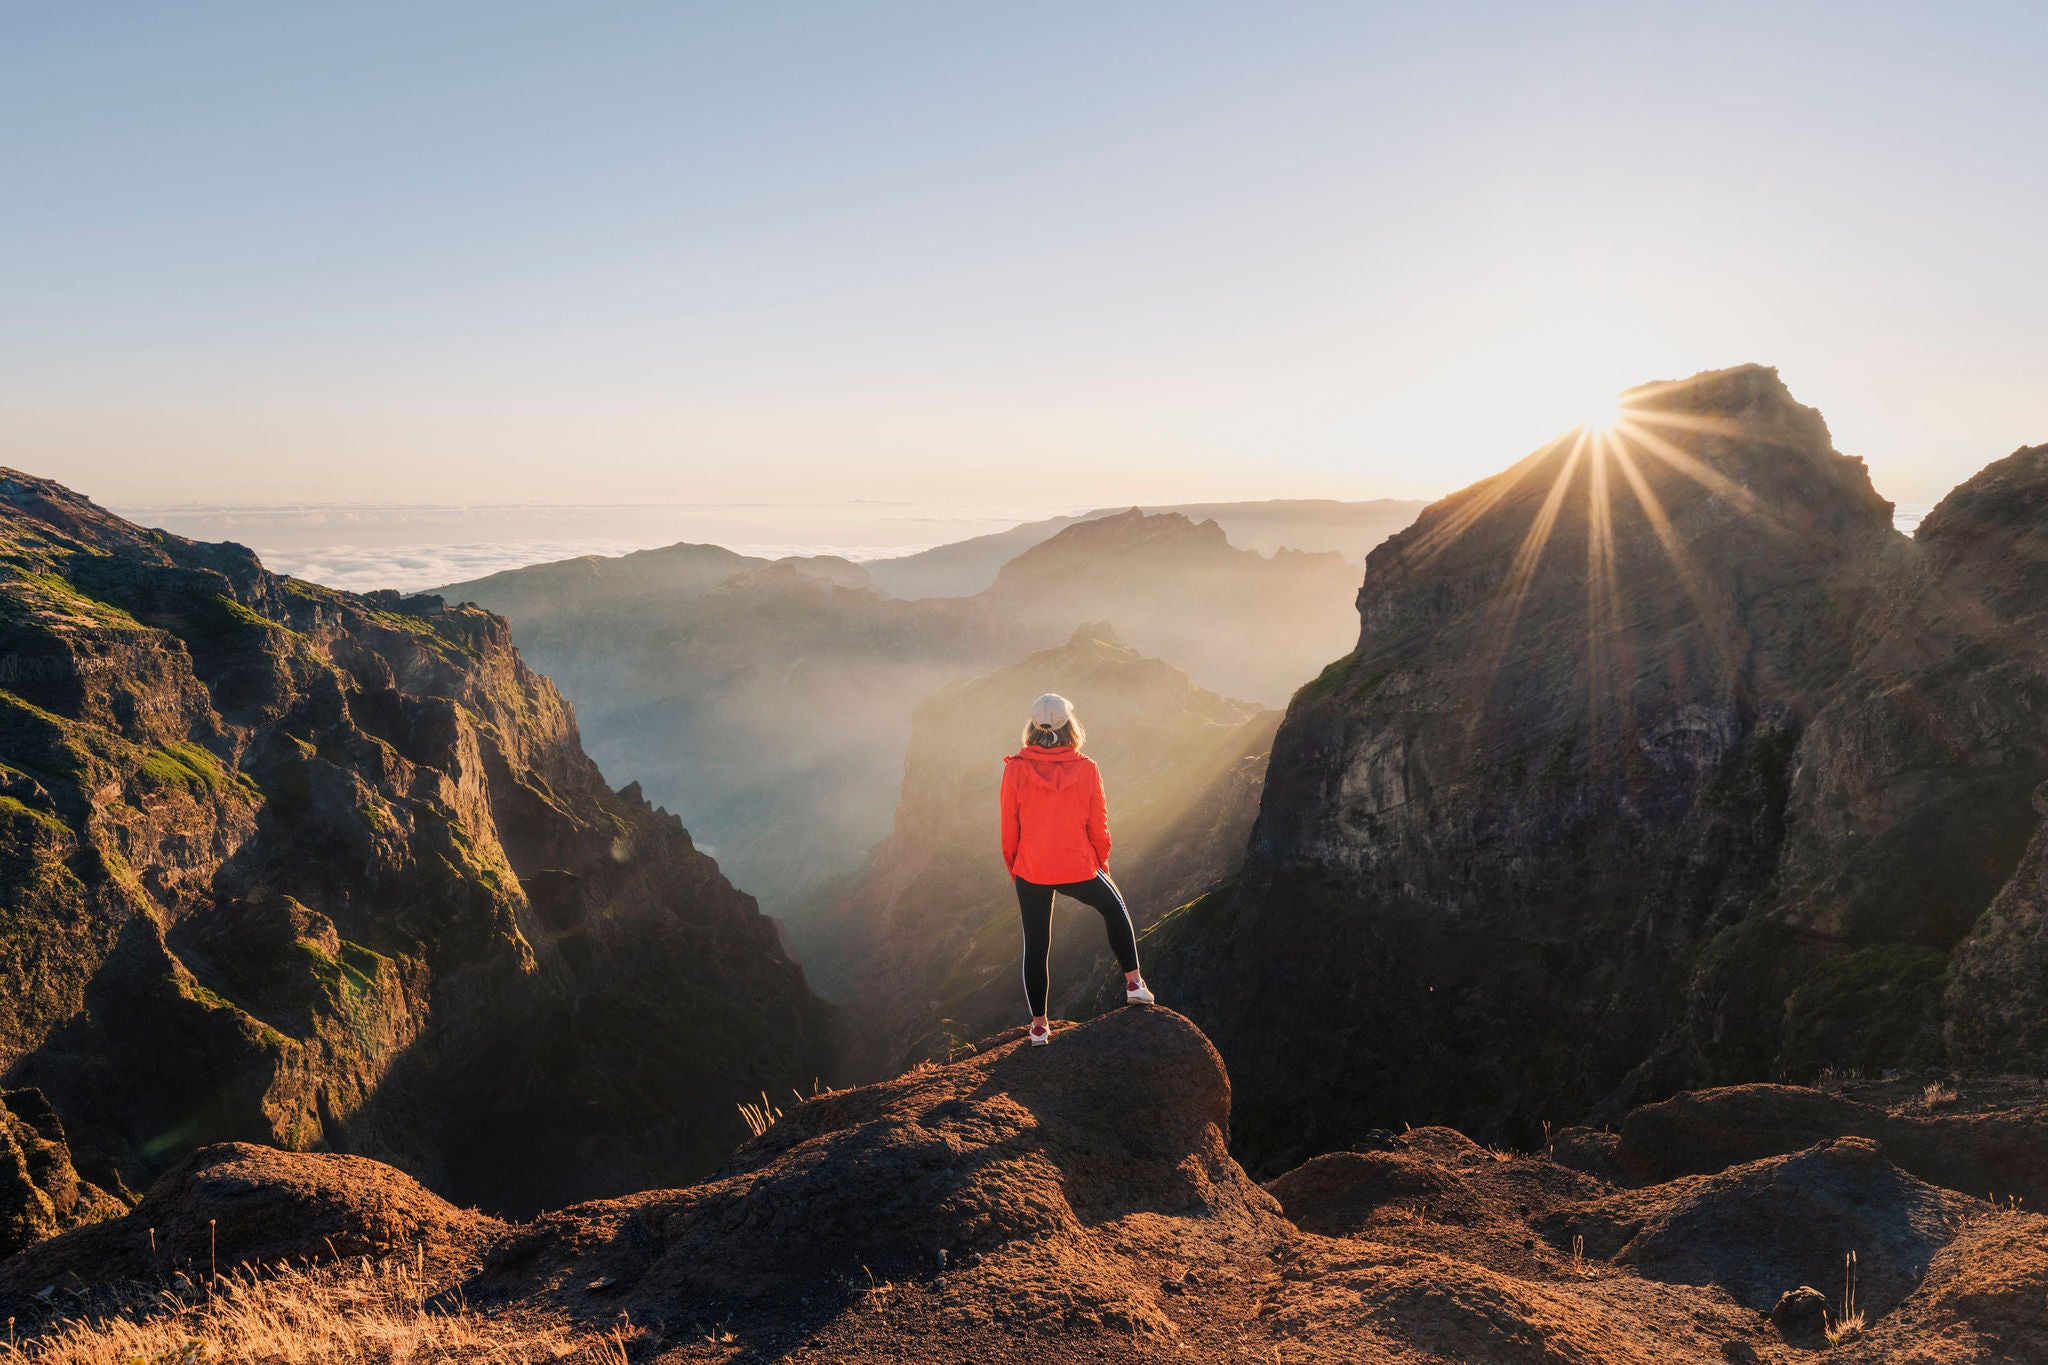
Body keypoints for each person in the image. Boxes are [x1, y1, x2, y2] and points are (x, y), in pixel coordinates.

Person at [999, 692, 1153, 1046]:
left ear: (1032, 729)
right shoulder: (1087, 768)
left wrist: (1017, 870)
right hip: (1078, 867)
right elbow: (1098, 825)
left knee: (1036, 945)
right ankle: (1134, 985)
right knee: (1114, 908)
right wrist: (1101, 864)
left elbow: (1010, 828)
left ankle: (1039, 1027)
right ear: (1071, 727)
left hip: (1031, 870)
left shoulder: (1015, 769)